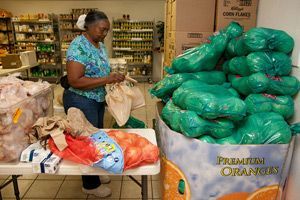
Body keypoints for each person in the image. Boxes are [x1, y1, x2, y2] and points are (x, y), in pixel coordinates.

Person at [63, 10, 125, 198]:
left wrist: (112, 78)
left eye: (107, 31)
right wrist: (107, 79)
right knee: (87, 142)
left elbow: (98, 70)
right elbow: (74, 80)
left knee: (97, 138)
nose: (104, 33)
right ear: (88, 26)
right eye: (101, 29)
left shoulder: (98, 44)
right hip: (81, 100)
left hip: (95, 99)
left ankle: (95, 172)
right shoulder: (78, 46)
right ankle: (89, 184)